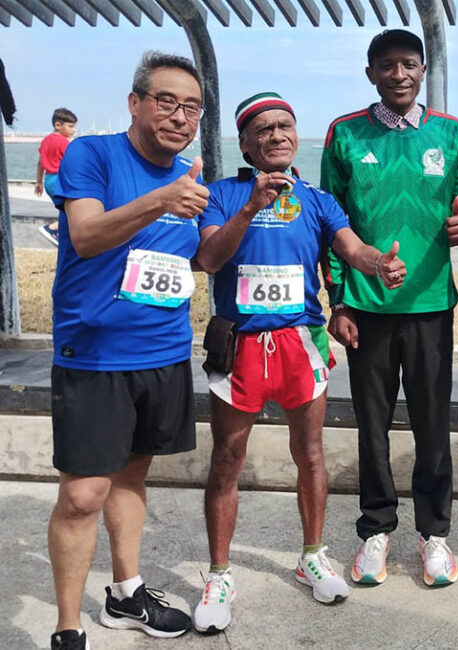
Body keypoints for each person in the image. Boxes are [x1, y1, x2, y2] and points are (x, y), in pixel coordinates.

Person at [190, 92, 406, 632]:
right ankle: (219, 575)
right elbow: (208, 259)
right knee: (226, 459)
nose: (277, 135)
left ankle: (313, 555)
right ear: (244, 143)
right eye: (263, 129)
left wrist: (379, 263)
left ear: (296, 134)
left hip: (298, 342)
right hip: (238, 344)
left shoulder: (315, 198)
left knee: (310, 454)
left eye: (285, 125)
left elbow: (352, 249)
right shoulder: (222, 194)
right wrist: (251, 207)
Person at [47, 51, 207, 650]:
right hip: (94, 354)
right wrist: (161, 200)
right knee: (84, 492)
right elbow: (85, 236)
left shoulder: (191, 172)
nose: (179, 115)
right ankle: (68, 627)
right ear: (135, 102)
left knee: (133, 476)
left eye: (191, 106)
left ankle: (124, 593)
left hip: (163, 352)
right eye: (166, 100)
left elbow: (193, 258)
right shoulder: (93, 154)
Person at [320, 29, 458, 587]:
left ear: (423, 68)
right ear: (371, 74)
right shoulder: (343, 134)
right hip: (366, 306)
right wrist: (338, 302)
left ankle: (435, 535)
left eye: (409, 64)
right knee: (373, 427)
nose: (399, 75)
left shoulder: (451, 132)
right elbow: (330, 226)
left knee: (433, 425)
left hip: (431, 302)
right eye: (387, 66)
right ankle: (375, 531)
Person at [35, 107, 77, 246]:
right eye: (70, 126)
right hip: (60, 180)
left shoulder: (46, 141)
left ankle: (62, 236)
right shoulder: (64, 142)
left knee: (65, 210)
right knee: (74, 211)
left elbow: (40, 163)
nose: (73, 130)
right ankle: (51, 229)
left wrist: (39, 182)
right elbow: (73, 162)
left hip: (49, 180)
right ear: (58, 125)